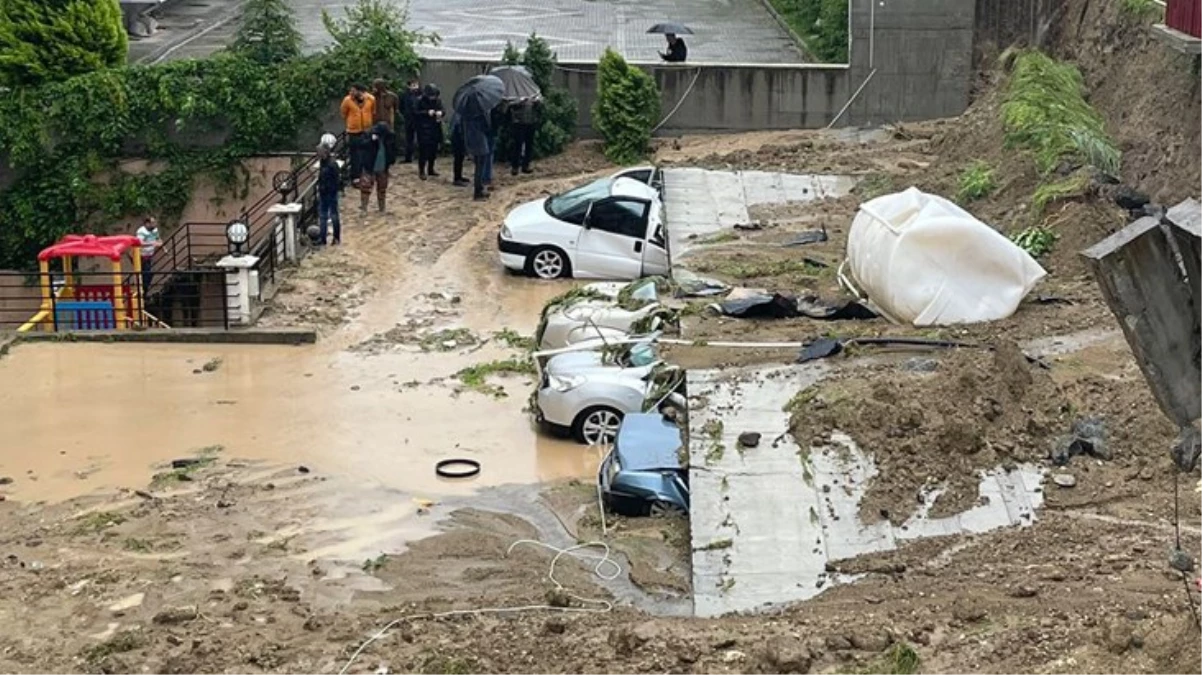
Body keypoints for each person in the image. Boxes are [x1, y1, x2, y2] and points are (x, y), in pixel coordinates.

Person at [340, 83, 376, 178]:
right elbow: (343, 113)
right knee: (355, 155)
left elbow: (373, 111)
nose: (351, 92)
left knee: (368, 153)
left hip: (367, 130)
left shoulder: (370, 99)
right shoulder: (347, 100)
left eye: (353, 91)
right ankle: (356, 176)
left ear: (360, 91)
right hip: (353, 131)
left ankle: (368, 173)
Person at [359, 122, 393, 214]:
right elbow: (361, 145)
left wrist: (390, 163)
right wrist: (371, 140)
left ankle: (382, 208)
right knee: (365, 188)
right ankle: (364, 209)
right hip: (369, 166)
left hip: (382, 167)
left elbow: (391, 150)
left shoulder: (388, 138)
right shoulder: (368, 135)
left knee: (382, 188)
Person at [414, 83, 445, 180]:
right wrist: (426, 113)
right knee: (423, 151)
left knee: (433, 150)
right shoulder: (419, 100)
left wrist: (441, 113)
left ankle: (431, 169)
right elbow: (414, 113)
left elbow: (443, 109)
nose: (433, 98)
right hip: (423, 128)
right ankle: (421, 170)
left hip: (435, 127)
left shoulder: (438, 101)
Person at [509, 96, 541, 176]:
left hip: (531, 121)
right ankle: (515, 167)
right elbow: (510, 104)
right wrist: (519, 102)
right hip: (519, 122)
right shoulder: (515, 92)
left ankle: (526, 165)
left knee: (529, 145)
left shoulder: (533, 90)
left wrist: (537, 102)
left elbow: (540, 102)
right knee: (517, 145)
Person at [316, 144, 341, 245]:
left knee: (333, 215)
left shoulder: (332, 164)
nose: (318, 153)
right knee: (323, 216)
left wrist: (331, 189)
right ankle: (323, 238)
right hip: (323, 192)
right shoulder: (324, 162)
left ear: (325, 151)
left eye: (319, 151)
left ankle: (336, 237)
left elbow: (336, 178)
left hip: (330, 192)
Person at [372, 78, 400, 167]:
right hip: (375, 125)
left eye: (375, 86)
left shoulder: (392, 97)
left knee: (388, 145)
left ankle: (387, 165)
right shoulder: (371, 97)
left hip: (388, 125)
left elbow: (395, 109)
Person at [136, 216, 161, 296]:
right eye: (152, 223)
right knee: (146, 274)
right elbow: (140, 243)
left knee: (148, 274)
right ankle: (143, 291)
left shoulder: (155, 230)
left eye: (155, 222)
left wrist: (160, 242)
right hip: (141, 256)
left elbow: (157, 238)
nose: (154, 224)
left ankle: (144, 291)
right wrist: (152, 243)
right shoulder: (141, 231)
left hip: (149, 255)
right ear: (147, 223)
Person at [400, 79, 422, 163]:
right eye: (413, 85)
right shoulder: (404, 95)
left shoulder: (421, 94)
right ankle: (408, 157)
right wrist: (405, 114)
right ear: (409, 86)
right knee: (409, 139)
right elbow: (401, 106)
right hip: (409, 119)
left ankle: (421, 156)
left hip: (419, 119)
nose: (415, 87)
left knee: (420, 138)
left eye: (416, 84)